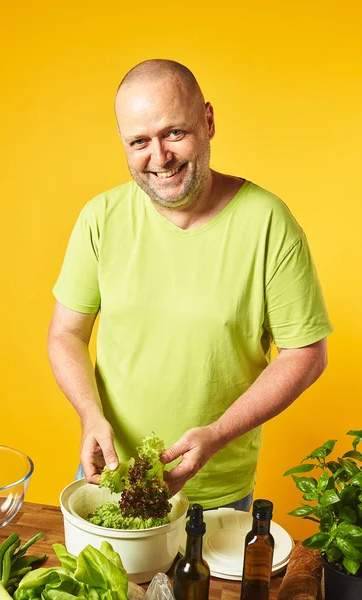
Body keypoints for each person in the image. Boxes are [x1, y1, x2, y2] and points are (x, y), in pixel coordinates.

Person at [47, 59, 332, 511]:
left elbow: (306, 354)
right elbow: (66, 333)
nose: (159, 158)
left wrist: (217, 435)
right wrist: (90, 415)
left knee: (209, 587)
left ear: (209, 121)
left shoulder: (269, 223)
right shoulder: (100, 219)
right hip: (111, 479)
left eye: (174, 133)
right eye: (139, 141)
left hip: (217, 494)